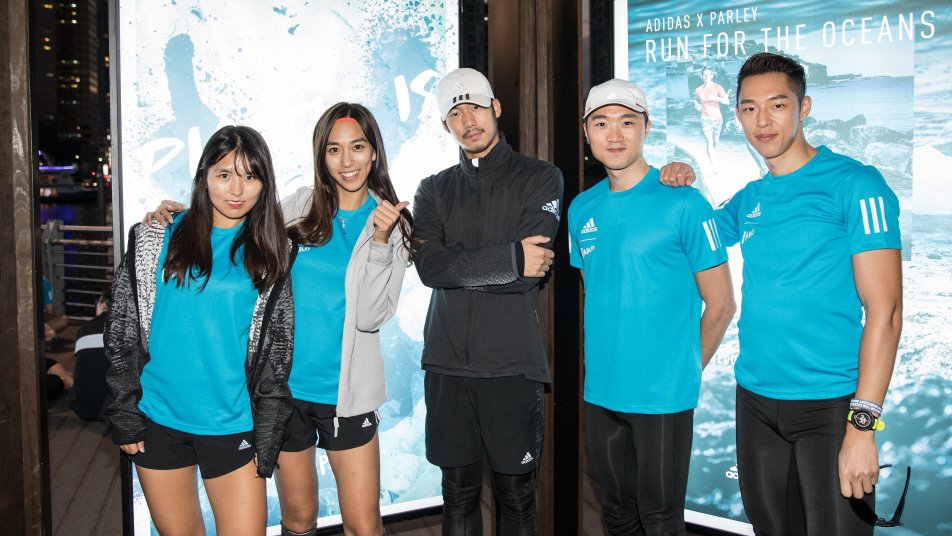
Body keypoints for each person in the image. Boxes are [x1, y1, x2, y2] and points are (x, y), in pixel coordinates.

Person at [662, 52, 903, 535]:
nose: (762, 121)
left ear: (803, 107)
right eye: (749, 108)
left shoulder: (856, 184)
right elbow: (691, 237)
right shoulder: (751, 197)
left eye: (777, 105)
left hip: (830, 406)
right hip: (755, 400)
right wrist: (677, 183)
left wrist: (862, 428)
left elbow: (887, 311)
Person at [146, 103, 411, 536]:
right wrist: (177, 216)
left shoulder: (392, 223)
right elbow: (238, 217)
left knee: (365, 526)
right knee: (299, 519)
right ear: (321, 155)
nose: (347, 161)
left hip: (347, 395)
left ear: (374, 152)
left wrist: (380, 241)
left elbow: (371, 316)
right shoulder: (300, 206)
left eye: (358, 147)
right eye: (334, 149)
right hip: (284, 393)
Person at [105, 125, 295, 536]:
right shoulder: (155, 234)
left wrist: (268, 432)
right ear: (204, 175)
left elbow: (277, 353)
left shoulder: (272, 251)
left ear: (265, 183)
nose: (237, 189)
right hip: (158, 418)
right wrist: (124, 411)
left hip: (231, 421)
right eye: (224, 174)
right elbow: (122, 330)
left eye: (250, 176)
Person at [569, 79, 735, 535]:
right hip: (601, 392)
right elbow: (598, 292)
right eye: (601, 123)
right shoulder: (581, 209)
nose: (614, 134)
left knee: (660, 521)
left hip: (662, 397)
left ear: (646, 127)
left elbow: (722, 305)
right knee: (617, 516)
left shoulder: (685, 202)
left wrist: (684, 369)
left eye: (627, 122)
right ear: (586, 133)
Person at [412, 67, 563, 535]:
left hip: (512, 365)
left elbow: (530, 274)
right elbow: (429, 268)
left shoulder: (541, 177)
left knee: (516, 496)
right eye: (456, 114)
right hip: (446, 365)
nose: (468, 121)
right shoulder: (433, 188)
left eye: (475, 107)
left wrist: (464, 267)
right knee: (456, 495)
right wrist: (510, 258)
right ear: (446, 125)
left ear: (496, 108)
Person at [69, 286, 110, 420]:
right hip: (117, 411)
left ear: (103, 304)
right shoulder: (129, 329)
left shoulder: (84, 329)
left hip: (84, 408)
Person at [693, 67, 729, 172]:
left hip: (717, 118)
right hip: (705, 119)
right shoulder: (698, 90)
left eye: (709, 74)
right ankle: (714, 166)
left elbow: (727, 101)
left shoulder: (717, 87)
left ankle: (714, 153)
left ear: (712, 75)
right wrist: (697, 105)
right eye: (705, 75)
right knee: (709, 141)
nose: (707, 76)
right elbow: (695, 99)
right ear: (702, 76)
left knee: (715, 141)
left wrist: (716, 98)